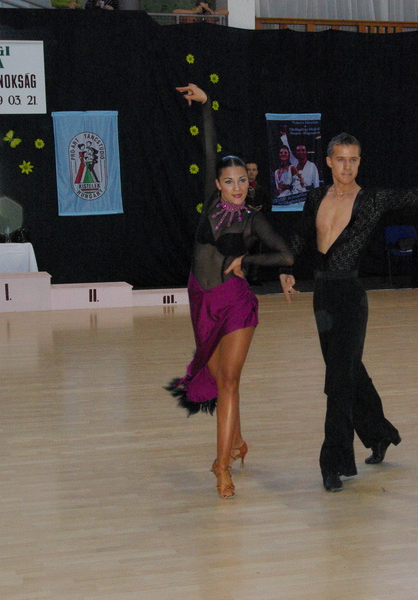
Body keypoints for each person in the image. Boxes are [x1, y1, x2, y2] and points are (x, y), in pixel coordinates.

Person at [279, 132, 418, 492]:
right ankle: (380, 434)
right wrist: (286, 267)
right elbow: (301, 234)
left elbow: (415, 195)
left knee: (338, 381)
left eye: (354, 159)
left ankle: (333, 462)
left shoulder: (372, 199)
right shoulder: (316, 197)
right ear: (329, 162)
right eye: (341, 159)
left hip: (350, 296)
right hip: (323, 295)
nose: (347, 166)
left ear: (359, 162)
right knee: (349, 371)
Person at [166, 84, 295, 499]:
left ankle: (221, 467)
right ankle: (237, 442)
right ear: (218, 184)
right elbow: (209, 148)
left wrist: (248, 261)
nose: (237, 187)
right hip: (200, 298)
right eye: (229, 181)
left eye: (242, 180)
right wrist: (206, 106)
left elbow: (287, 255)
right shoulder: (209, 203)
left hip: (235, 303)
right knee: (220, 377)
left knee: (230, 383)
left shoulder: (253, 219)